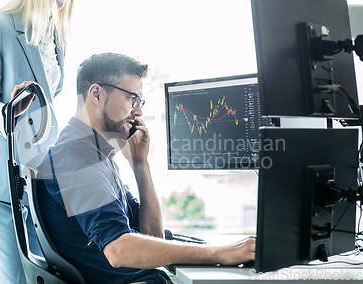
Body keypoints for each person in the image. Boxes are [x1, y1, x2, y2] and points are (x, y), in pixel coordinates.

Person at [35, 52, 255, 284]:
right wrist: (222, 254)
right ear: (97, 94)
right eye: (132, 99)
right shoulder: (77, 155)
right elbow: (119, 250)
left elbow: (152, 236)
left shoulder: (95, 155)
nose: (138, 112)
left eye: (140, 102)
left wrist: (140, 165)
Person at [0, 0, 73, 283]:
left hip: (40, 185)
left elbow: (48, 103)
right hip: (1, 182)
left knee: (43, 279)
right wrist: (7, 112)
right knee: (15, 280)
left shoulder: (56, 36)